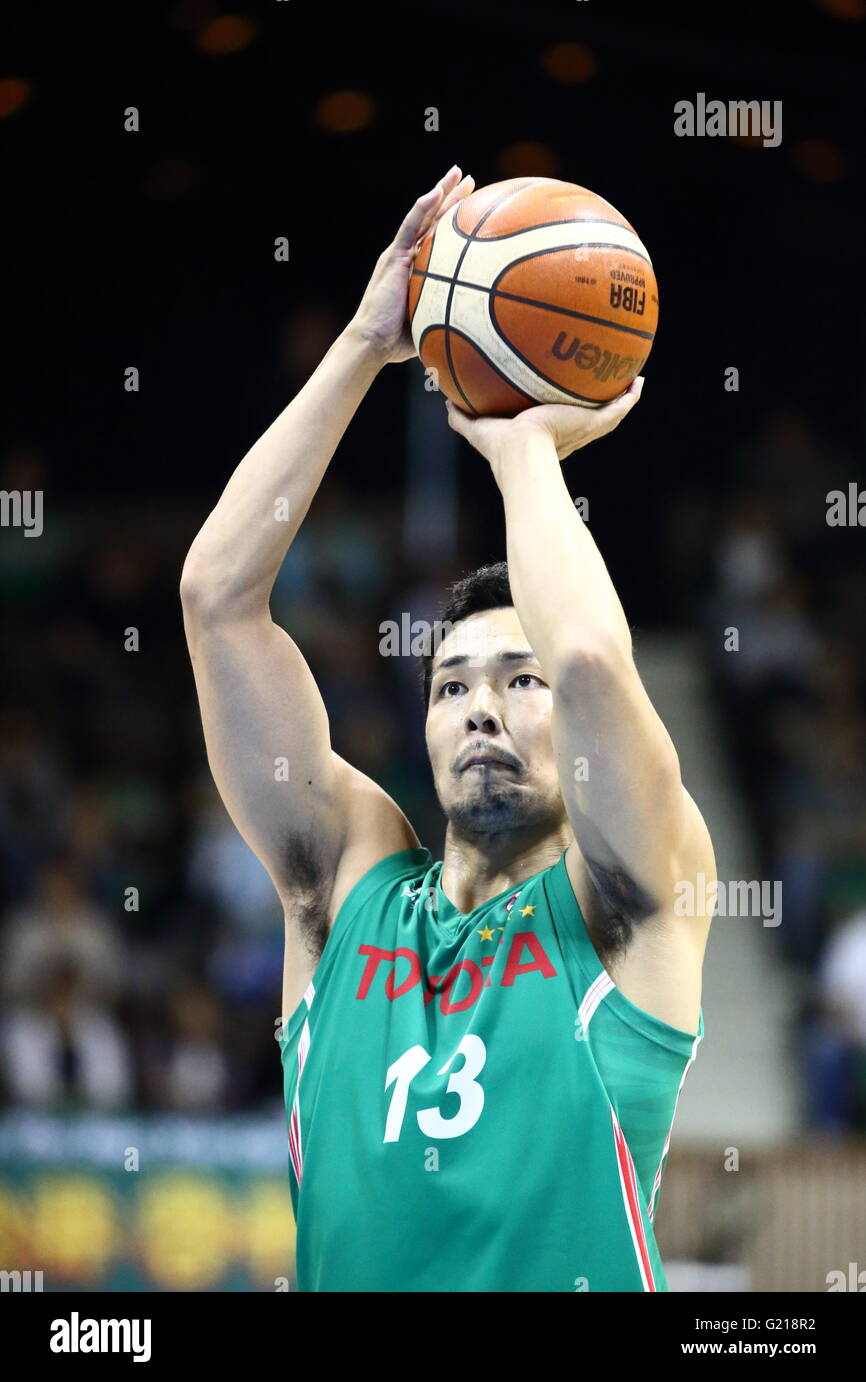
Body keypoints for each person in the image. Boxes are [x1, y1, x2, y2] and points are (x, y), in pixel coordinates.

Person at [181, 167, 716, 1292]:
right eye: (451, 684)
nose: (481, 702)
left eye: (514, 683)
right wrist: (369, 344)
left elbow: (584, 657)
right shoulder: (346, 882)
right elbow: (217, 600)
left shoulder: (622, 895)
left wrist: (520, 446)